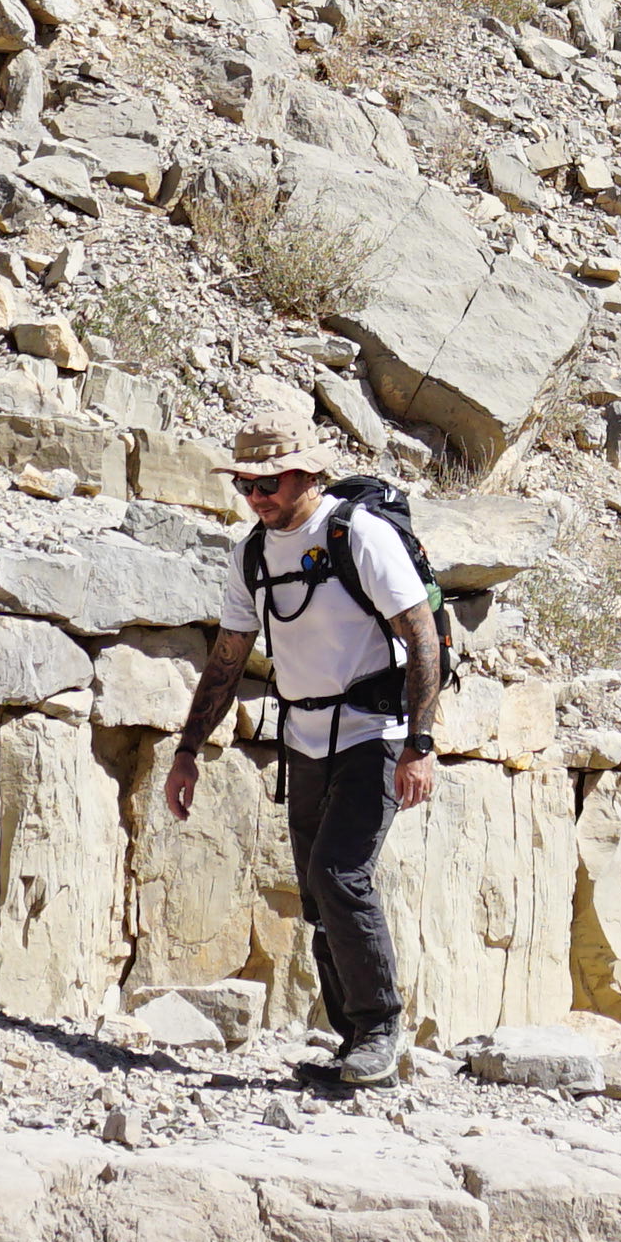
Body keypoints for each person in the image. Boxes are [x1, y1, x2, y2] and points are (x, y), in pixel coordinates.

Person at [161, 418, 447, 1088]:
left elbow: (423, 639)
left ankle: (379, 1027)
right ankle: (355, 1050)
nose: (257, 496)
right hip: (307, 741)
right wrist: (187, 751)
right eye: (247, 485)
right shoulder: (253, 556)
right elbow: (228, 659)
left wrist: (420, 745)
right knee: (319, 897)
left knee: (341, 876)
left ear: (307, 475)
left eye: (270, 482)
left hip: (375, 733)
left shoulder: (357, 535)